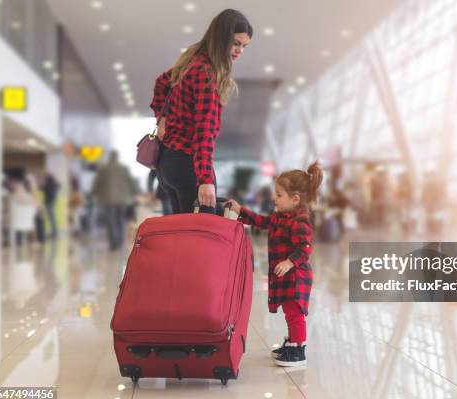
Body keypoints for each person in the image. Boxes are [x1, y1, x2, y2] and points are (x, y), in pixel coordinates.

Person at [151, 9, 253, 214]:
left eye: (244, 46)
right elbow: (203, 132)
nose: (239, 50)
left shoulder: (191, 61)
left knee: (184, 236)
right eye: (235, 43)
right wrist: (205, 180)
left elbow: (161, 82)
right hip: (189, 167)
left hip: (167, 163)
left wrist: (161, 118)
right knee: (201, 239)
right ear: (221, 37)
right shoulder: (207, 73)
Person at [228, 162, 324, 367]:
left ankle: (298, 350)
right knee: (291, 313)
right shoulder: (281, 217)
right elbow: (262, 222)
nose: (274, 198)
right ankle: (292, 344)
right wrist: (241, 211)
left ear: (295, 199)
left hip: (296, 278)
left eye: (279, 195)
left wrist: (290, 262)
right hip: (287, 277)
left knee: (295, 314)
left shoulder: (300, 220)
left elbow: (305, 248)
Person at [91, 151, 138, 251]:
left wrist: (94, 194)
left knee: (111, 220)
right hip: (122, 199)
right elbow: (131, 182)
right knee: (120, 219)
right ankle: (120, 241)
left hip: (108, 199)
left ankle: (114, 243)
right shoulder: (124, 168)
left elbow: (97, 183)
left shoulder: (103, 169)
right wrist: (134, 193)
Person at [41, 172, 60, 239]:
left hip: (49, 201)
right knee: (52, 217)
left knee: (51, 217)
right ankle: (54, 233)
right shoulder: (53, 181)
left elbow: (43, 188)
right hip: (52, 200)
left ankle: (54, 233)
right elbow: (59, 186)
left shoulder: (49, 181)